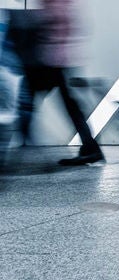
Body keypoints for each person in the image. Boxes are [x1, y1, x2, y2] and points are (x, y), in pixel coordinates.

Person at [5, 0, 102, 166]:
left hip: (50, 62)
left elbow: (50, 26)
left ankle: (20, 147)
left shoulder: (55, 5)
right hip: (58, 61)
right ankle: (90, 148)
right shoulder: (63, 4)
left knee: (29, 105)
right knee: (70, 108)